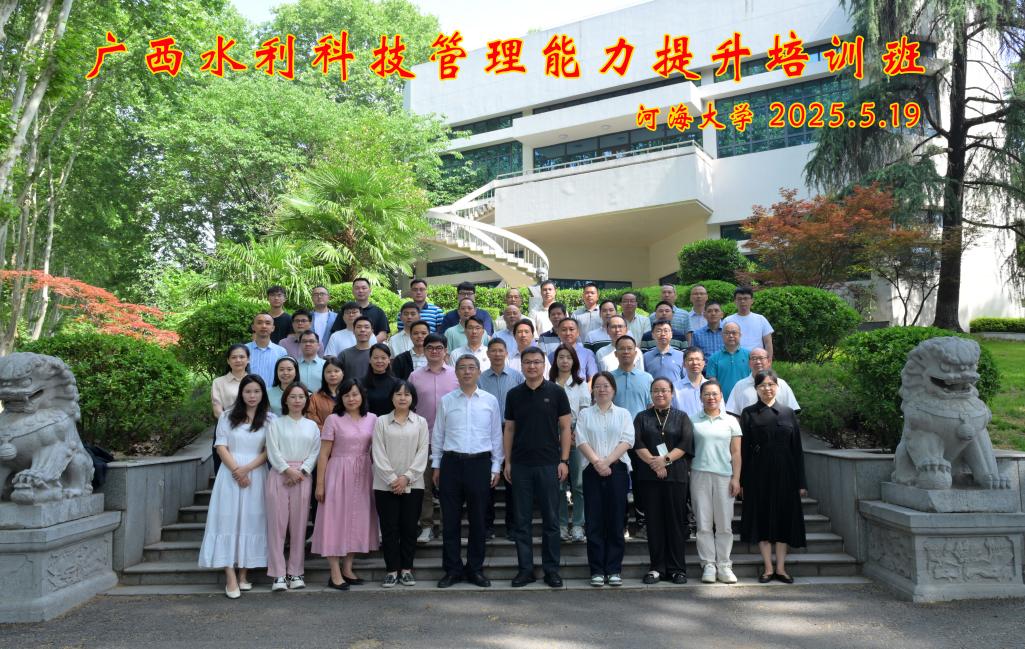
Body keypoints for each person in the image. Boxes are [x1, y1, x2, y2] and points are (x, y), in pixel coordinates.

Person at [198, 375, 274, 599]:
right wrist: (237, 470)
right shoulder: (227, 416)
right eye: (248, 391)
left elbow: (270, 450)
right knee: (227, 520)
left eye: (257, 391)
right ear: (241, 393)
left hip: (256, 474)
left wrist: (246, 469)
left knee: (252, 521)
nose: (252, 396)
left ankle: (243, 574)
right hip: (229, 475)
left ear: (263, 394)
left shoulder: (270, 419)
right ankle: (230, 575)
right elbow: (220, 446)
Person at [432, 355, 504, 588]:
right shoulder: (446, 401)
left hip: (480, 464)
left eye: (471, 367)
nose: (467, 371)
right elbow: (438, 434)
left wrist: (496, 466)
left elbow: (496, 435)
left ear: (479, 371)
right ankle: (452, 570)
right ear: (456, 372)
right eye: (462, 368)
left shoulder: (490, 401)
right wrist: (436, 465)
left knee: (478, 520)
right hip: (451, 463)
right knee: (450, 521)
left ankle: (475, 569)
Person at [503, 347, 572, 588]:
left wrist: (564, 460)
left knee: (551, 520)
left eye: (536, 362)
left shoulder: (557, 392)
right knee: (521, 522)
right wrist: (508, 461)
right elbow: (509, 429)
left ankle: (551, 570)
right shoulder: (513, 395)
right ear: (521, 365)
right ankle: (526, 570)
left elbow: (565, 428)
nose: (532, 366)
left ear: (544, 365)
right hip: (521, 465)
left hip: (549, 464)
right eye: (527, 362)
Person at [739, 369, 807, 584]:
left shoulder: (788, 413)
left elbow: (797, 450)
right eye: (762, 385)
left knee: (783, 520)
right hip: (758, 475)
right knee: (762, 520)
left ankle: (781, 568)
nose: (767, 389)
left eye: (771, 385)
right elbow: (743, 451)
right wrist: (741, 481)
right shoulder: (748, 413)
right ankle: (768, 568)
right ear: (756, 389)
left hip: (786, 475)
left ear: (777, 387)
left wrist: (801, 482)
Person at [312, 378, 380, 590]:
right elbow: (324, 454)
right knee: (335, 521)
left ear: (362, 396)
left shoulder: (373, 419)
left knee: (357, 520)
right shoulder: (333, 419)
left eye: (355, 394)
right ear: (340, 398)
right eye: (346, 395)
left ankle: (348, 569)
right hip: (338, 473)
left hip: (364, 473)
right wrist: (320, 484)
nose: (351, 399)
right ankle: (334, 572)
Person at [575, 372, 634, 587]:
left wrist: (607, 462)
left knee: (616, 520)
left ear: (613, 390)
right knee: (594, 521)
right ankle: (597, 570)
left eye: (606, 386)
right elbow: (581, 440)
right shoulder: (585, 414)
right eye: (598, 386)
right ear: (592, 390)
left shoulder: (623, 414)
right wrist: (598, 463)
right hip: (592, 470)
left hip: (617, 470)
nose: (602, 389)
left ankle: (614, 569)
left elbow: (628, 440)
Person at [633, 378, 694, 585]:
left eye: (664, 390)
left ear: (671, 393)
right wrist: (655, 464)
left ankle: (677, 569)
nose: (660, 394)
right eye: (656, 390)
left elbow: (685, 443)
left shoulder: (682, 417)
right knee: (654, 523)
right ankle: (656, 568)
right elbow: (637, 442)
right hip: (649, 477)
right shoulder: (642, 417)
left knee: (675, 523)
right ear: (651, 393)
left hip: (676, 477)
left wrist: (664, 460)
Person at [372, 380, 430, 588]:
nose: (402, 398)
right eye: (398, 394)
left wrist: (406, 477)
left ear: (413, 398)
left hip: (413, 484)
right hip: (384, 485)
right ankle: (391, 570)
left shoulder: (421, 422)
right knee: (389, 529)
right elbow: (378, 452)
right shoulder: (381, 422)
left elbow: (423, 451)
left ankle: (406, 569)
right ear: (392, 397)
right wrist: (392, 479)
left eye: (406, 394)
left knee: (409, 528)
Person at [264, 382, 321, 592]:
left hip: (303, 477)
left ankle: (296, 572)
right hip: (279, 475)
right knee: (277, 526)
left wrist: (302, 471)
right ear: (285, 400)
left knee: (299, 526)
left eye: (301, 397)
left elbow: (315, 452)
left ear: (306, 400)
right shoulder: (276, 424)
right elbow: (272, 450)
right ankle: (278, 574)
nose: (297, 401)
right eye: (293, 397)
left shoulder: (312, 426)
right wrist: (287, 470)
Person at [690, 379, 742, 585]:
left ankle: (724, 565)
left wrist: (736, 478)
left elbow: (736, 453)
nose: (711, 398)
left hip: (724, 476)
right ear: (700, 397)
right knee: (703, 524)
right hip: (699, 475)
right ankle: (708, 565)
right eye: (706, 394)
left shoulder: (731, 421)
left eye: (715, 394)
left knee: (724, 524)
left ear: (721, 396)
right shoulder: (693, 421)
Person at [408, 334, 459, 544]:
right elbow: (409, 406)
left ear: (446, 350)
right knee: (424, 486)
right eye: (430, 347)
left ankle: (449, 526)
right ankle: (427, 525)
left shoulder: (456, 374)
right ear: (424, 350)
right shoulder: (414, 376)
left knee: (449, 487)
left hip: (451, 440)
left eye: (439, 347)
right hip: (423, 439)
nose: (435, 351)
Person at [477, 337, 525, 539]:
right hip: (487, 432)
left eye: (500, 350)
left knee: (513, 480)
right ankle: (487, 526)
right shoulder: (480, 379)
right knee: (488, 480)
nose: (497, 354)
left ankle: (513, 526)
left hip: (512, 431)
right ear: (487, 354)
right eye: (493, 350)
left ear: (506, 353)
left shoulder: (517, 377)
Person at [550, 344, 590, 544]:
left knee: (579, 484)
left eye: (568, 357)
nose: (565, 361)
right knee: (558, 484)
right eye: (561, 357)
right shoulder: (548, 383)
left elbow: (585, 410)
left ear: (574, 361)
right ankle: (562, 525)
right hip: (552, 433)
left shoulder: (580, 384)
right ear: (555, 360)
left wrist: (574, 433)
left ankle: (578, 525)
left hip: (576, 433)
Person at [726, 348, 801, 416]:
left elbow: (792, 412)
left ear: (769, 361)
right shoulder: (740, 386)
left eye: (761, 358)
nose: (758, 362)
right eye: (754, 358)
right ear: (749, 363)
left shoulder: (781, 384)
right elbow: (733, 413)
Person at [329, 277, 389, 342]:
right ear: (352, 291)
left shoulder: (378, 312)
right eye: (357, 288)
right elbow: (337, 331)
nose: (360, 291)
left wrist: (367, 345)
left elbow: (383, 334)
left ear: (370, 290)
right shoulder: (345, 311)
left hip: (372, 347)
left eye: (364, 288)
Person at [724, 287, 774, 359]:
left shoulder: (761, 319)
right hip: (734, 359)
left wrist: (768, 361)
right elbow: (723, 342)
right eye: (739, 299)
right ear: (735, 301)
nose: (742, 301)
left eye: (746, 298)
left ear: (752, 301)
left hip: (757, 359)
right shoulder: (728, 320)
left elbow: (768, 343)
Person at [705, 322, 750, 402]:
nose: (731, 336)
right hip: (723, 403)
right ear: (722, 335)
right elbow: (713, 385)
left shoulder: (750, 356)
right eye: (727, 333)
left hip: (746, 401)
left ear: (740, 335)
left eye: (734, 332)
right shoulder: (713, 358)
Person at [609, 336, 653, 417]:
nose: (626, 352)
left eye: (629, 348)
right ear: (615, 354)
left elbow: (651, 406)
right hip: (615, 424)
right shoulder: (608, 378)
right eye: (622, 348)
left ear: (635, 353)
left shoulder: (647, 378)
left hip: (641, 424)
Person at [245, 313, 286, 386]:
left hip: (273, 392)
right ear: (253, 327)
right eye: (259, 323)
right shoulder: (244, 350)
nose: (264, 326)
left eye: (268, 323)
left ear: (273, 328)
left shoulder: (281, 352)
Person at [211, 344, 249, 419]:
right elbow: (217, 410)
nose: (238, 360)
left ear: (248, 359)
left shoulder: (255, 381)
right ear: (228, 361)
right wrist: (232, 422)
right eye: (234, 357)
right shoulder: (218, 382)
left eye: (242, 357)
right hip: (228, 423)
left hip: (254, 424)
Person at [308, 358, 345, 429]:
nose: (333, 374)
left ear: (343, 373)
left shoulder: (349, 395)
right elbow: (312, 420)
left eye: (336, 371)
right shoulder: (315, 397)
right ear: (323, 374)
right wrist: (328, 433)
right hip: (323, 434)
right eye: (328, 372)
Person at [364, 343, 399, 416]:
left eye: (383, 358)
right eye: (376, 358)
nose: (379, 361)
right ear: (370, 360)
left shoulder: (397, 384)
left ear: (389, 360)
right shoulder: (361, 383)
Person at [672, 347, 708, 417]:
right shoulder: (675, 388)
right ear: (684, 364)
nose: (695, 363)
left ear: (704, 363)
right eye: (690, 359)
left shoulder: (712, 387)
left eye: (698, 359)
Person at [338, 316, 374, 383]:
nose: (362, 330)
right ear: (353, 331)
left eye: (366, 327)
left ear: (372, 332)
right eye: (359, 327)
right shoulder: (344, 354)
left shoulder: (377, 354)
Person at [310, 285, 337, 352]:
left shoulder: (337, 317)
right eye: (316, 294)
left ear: (328, 297)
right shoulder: (306, 317)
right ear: (312, 298)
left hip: (331, 355)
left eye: (322, 294)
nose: (319, 296)